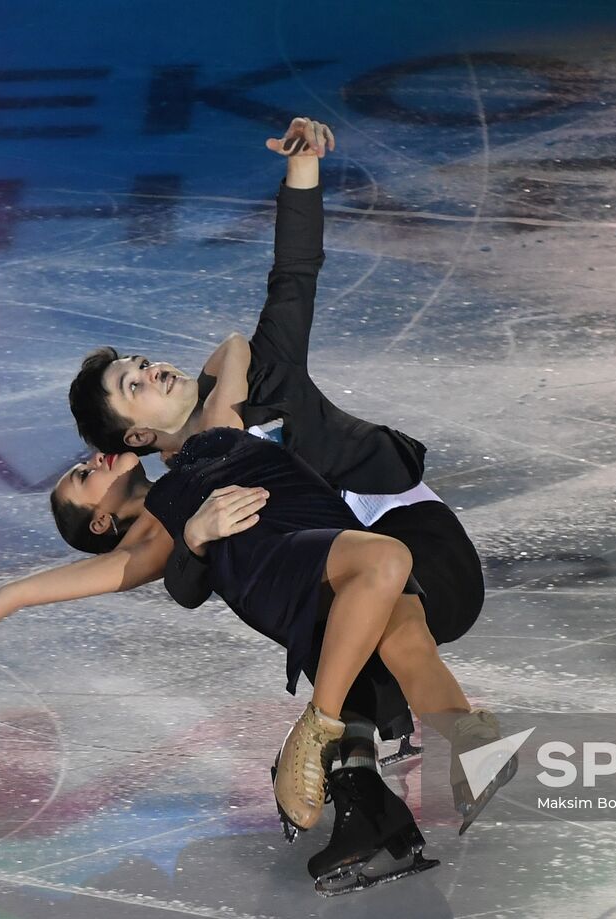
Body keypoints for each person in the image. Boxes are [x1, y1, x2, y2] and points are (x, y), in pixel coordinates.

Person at [65, 117, 500, 828]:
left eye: (139, 361)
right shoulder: (189, 484)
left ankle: (392, 758)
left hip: (411, 529)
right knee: (390, 630)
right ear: (138, 434)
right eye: (133, 382)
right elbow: (182, 580)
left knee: (394, 623)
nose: (148, 367)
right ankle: (454, 757)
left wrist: (303, 171)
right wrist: (199, 539)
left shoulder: (263, 372)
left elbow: (293, 276)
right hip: (347, 579)